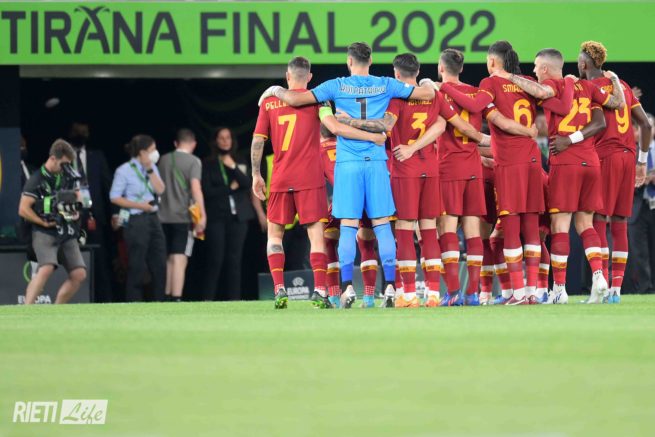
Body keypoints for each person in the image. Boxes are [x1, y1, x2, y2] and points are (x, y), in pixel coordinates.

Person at [258, 42, 437, 309]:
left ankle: (347, 288)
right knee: (382, 225)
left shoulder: (336, 86)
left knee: (348, 226)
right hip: (376, 161)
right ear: (371, 60)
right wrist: (429, 82)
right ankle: (390, 287)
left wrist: (274, 90)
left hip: (348, 163)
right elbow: (427, 94)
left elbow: (295, 99)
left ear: (349, 61)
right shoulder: (386, 84)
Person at [253, 56, 387, 309]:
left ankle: (279, 289)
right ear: (310, 77)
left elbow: (258, 140)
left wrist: (256, 174)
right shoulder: (318, 101)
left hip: (280, 177)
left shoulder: (269, 102)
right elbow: (333, 127)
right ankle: (320, 290)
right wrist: (369, 135)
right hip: (309, 178)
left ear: (288, 75)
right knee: (317, 238)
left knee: (275, 236)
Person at [502, 48, 626, 303]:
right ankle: (599, 275)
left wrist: (510, 76)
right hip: (591, 162)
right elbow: (617, 103)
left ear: (545, 69)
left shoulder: (551, 86)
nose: (534, 70)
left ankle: (559, 290)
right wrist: (614, 79)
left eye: (536, 66)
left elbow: (541, 93)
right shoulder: (587, 86)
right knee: (586, 224)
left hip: (565, 161)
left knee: (560, 225)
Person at [425, 48, 537, 306]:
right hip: (474, 168)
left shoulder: (437, 93)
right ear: (462, 68)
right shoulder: (477, 92)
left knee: (447, 229)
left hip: (449, 167)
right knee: (474, 231)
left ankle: (453, 292)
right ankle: (473, 294)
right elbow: (495, 122)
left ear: (441, 68)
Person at [578, 41, 653, 304]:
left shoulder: (589, 87)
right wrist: (642, 162)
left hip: (605, 156)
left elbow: (596, 124)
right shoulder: (622, 86)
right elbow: (645, 125)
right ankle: (616, 291)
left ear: (584, 63)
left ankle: (599, 286)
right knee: (620, 223)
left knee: (598, 219)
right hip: (628, 157)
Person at [18, 139, 87, 304]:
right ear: (53, 158)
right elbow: (23, 209)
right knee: (46, 268)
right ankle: (26, 309)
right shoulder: (36, 179)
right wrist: (42, 222)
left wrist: (76, 209)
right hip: (44, 231)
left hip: (66, 228)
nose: (66, 168)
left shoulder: (67, 176)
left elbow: (80, 197)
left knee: (79, 274)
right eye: (63, 164)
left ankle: (56, 310)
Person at [109, 134, 167, 302]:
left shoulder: (152, 167)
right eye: (152, 150)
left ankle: (160, 302)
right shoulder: (124, 170)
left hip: (153, 219)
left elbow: (160, 189)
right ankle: (134, 302)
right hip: (135, 220)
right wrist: (141, 206)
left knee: (159, 263)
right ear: (142, 152)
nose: (155, 153)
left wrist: (150, 169)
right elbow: (114, 197)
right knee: (137, 265)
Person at [202, 127, 254, 301]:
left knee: (235, 260)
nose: (225, 141)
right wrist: (229, 188)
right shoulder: (208, 163)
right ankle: (207, 300)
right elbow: (207, 191)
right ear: (215, 141)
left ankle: (234, 300)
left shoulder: (239, 160)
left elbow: (246, 183)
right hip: (216, 217)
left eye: (228, 137)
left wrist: (232, 167)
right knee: (215, 259)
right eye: (221, 138)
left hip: (239, 217)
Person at [67, 120, 114, 302]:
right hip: (70, 215)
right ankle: (74, 298)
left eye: (84, 132)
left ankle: (104, 300)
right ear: (71, 134)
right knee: (72, 259)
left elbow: (107, 185)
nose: (81, 135)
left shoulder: (97, 156)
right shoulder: (63, 157)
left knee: (99, 261)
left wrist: (114, 213)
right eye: (77, 132)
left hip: (94, 216)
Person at [158, 128, 206, 301]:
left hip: (162, 216)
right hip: (182, 216)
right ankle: (176, 297)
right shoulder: (194, 161)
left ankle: (166, 295)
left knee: (168, 257)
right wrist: (202, 215)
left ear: (176, 143)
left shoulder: (163, 159)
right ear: (193, 144)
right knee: (179, 256)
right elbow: (195, 189)